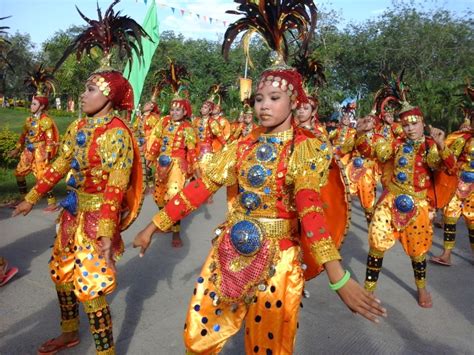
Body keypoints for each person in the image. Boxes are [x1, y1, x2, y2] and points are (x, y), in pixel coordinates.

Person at [133, 63, 387, 353]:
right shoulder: (242, 146)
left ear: (294, 103)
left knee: (269, 346)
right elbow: (200, 187)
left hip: (279, 258)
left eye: (274, 98)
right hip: (228, 251)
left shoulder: (305, 148)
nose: (264, 106)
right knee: (198, 336)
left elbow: (310, 210)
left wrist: (338, 277)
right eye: (259, 99)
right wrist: (153, 226)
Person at [12, 2, 147, 353]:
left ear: (110, 95)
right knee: (61, 273)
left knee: (92, 284)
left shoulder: (117, 133)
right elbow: (59, 163)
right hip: (71, 215)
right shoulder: (78, 126)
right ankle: (70, 332)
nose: (83, 94)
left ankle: (105, 350)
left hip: (97, 219)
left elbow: (117, 185)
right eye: (85, 88)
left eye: (90, 89)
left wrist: (106, 232)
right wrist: (31, 197)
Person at [356, 104, 455, 308]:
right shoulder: (396, 144)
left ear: (422, 123)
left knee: (418, 252)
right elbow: (373, 152)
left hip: (418, 205)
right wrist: (362, 133)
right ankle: (368, 290)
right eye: (406, 125)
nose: (410, 129)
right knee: (376, 243)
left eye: (414, 124)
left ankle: (421, 288)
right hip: (390, 201)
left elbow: (448, 166)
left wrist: (441, 145)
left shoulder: (430, 146)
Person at [146, 96, 197, 248]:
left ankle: (176, 232)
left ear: (184, 111)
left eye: (178, 109)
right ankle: (165, 223)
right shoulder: (164, 123)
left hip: (177, 165)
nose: (174, 112)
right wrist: (149, 160)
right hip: (161, 163)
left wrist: (195, 167)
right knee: (159, 197)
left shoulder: (187, 128)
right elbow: (157, 143)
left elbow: (192, 149)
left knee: (174, 196)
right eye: (172, 109)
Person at [8, 72, 59, 211]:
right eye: (31, 103)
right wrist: (17, 149)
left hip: (40, 152)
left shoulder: (45, 121)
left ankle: (52, 202)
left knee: (43, 177)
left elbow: (49, 139)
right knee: (19, 173)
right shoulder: (29, 120)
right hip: (28, 151)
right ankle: (24, 198)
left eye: (34, 104)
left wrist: (48, 154)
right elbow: (23, 136)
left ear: (41, 106)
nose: (31, 106)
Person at [431, 117, 474, 266]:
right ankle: (446, 254)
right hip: (459, 182)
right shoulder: (462, 137)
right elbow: (451, 159)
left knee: (472, 221)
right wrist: (442, 145)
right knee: (450, 216)